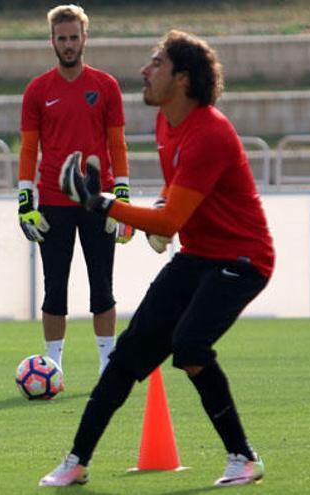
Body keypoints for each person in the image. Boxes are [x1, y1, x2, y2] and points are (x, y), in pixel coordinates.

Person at [39, 30, 275, 488]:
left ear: (182, 79)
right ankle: (77, 461)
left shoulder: (210, 132)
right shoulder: (167, 123)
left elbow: (168, 223)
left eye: (156, 64)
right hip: (199, 256)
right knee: (126, 357)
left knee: (189, 345)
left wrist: (101, 203)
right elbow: (175, 198)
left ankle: (243, 458)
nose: (145, 72)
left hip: (243, 261)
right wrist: (160, 209)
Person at [17, 4, 135, 376]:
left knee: (102, 286)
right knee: (54, 290)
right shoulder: (37, 90)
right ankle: (53, 366)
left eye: (74, 37)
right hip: (52, 200)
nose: (68, 44)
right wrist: (25, 202)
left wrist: (123, 198)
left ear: (85, 38)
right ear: (52, 40)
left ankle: (107, 366)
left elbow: (118, 145)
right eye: (61, 38)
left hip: (98, 200)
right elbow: (28, 149)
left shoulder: (106, 86)